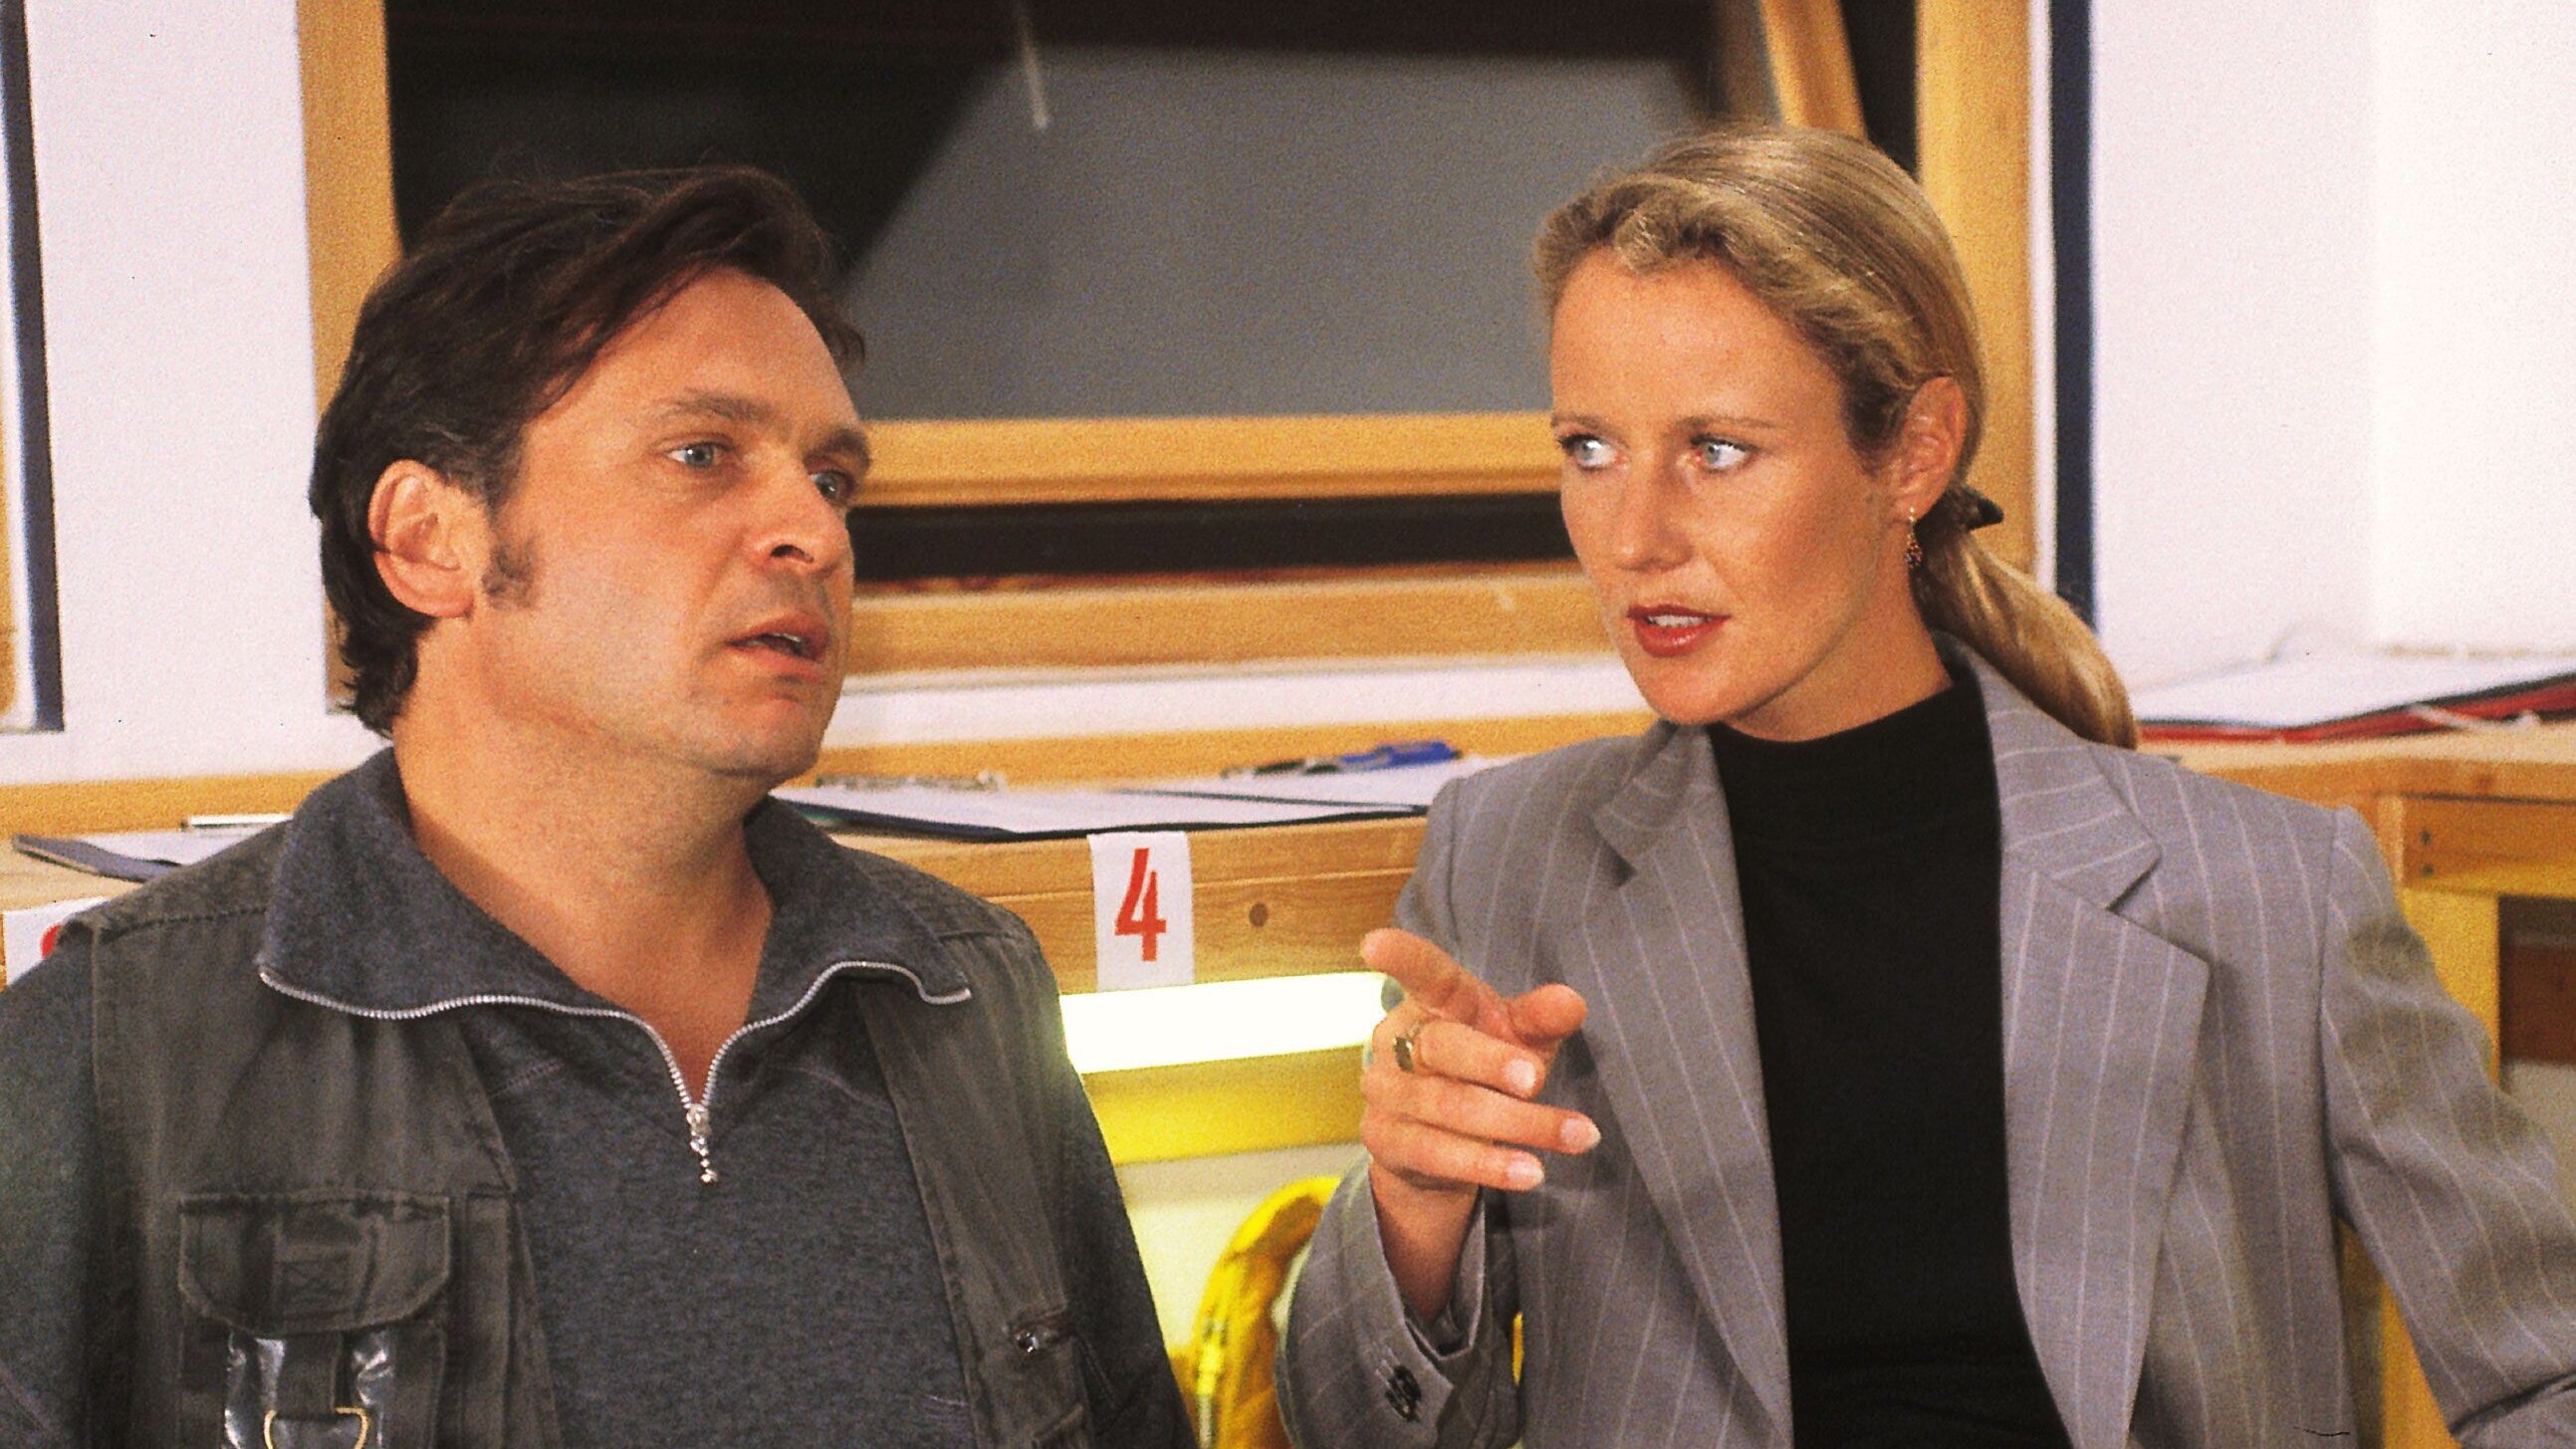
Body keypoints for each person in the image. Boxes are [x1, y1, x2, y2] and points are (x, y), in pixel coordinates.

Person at [1280, 125, 2576, 1448]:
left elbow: (2549, 1378)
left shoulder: (2270, 893)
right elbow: (1355, 1431)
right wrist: (1412, 1209)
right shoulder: (1507, 855)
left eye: (1715, 450)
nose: (1633, 536)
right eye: (1590, 448)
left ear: (1911, 453)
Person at [0, 168, 1187, 1448]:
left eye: (832, 481)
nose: (815, 533)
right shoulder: (119, 1049)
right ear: (429, 541)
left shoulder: (964, 991)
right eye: (701, 455)